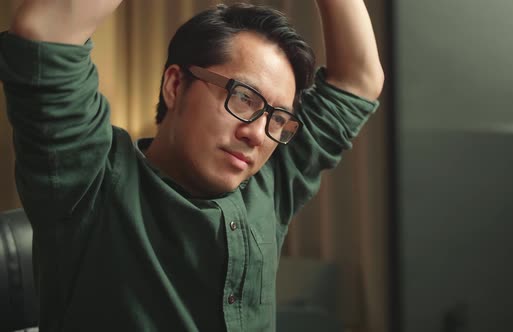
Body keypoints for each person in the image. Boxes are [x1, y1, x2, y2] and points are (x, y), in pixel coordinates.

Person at [0, 0, 383, 330]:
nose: (257, 134)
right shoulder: (90, 181)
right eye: (244, 97)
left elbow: (361, 78)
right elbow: (46, 30)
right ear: (174, 85)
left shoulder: (271, 180)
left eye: (278, 118)